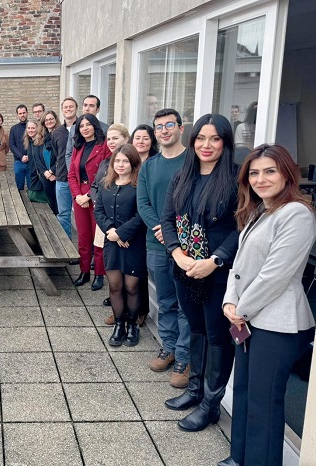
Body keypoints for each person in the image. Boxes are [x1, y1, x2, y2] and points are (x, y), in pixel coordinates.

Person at [219, 144, 316, 466]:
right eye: (254, 173)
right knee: (244, 392)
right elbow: (239, 265)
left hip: (278, 324)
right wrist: (229, 300)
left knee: (264, 403)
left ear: (287, 173)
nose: (261, 179)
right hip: (248, 318)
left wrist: (240, 309)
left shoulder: (296, 213)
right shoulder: (260, 210)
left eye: (270, 171)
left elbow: (275, 275)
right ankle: (240, 457)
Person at [161, 113, 239, 432]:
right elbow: (168, 219)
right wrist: (177, 253)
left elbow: (242, 226)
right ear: (193, 141)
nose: (207, 145)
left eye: (215, 139)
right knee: (196, 329)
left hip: (217, 273)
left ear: (225, 142)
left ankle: (211, 405)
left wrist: (215, 260)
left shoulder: (236, 178)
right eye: (201, 138)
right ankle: (195, 391)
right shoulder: (183, 175)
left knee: (217, 336)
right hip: (185, 269)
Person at [137, 108, 191, 389]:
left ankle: (184, 357)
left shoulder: (193, 161)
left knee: (186, 303)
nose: (164, 131)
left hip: (187, 245)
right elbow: (143, 202)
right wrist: (161, 228)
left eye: (170, 125)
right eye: (159, 127)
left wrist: (173, 232)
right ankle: (168, 347)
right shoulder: (149, 166)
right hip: (156, 243)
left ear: (181, 128)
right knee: (166, 300)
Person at [95, 144, 146, 347]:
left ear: (133, 163)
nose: (121, 164)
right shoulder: (106, 184)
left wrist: (122, 233)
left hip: (133, 243)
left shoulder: (139, 186)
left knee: (131, 286)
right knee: (115, 286)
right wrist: (112, 232)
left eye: (125, 161)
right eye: (117, 161)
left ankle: (132, 325)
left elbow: (141, 215)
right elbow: (98, 211)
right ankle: (119, 325)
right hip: (112, 243)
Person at [68, 113, 111, 290]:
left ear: (95, 125)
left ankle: (99, 274)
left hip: (97, 196)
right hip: (80, 197)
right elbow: (72, 174)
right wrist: (78, 196)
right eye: (81, 125)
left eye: (88, 124)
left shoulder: (104, 146)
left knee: (98, 238)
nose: (85, 128)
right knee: (83, 237)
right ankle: (84, 271)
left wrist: (88, 196)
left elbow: (107, 174)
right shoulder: (78, 147)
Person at [52, 97, 78, 238]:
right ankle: (67, 244)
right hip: (62, 178)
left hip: (80, 180)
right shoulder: (57, 132)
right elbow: (57, 154)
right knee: (63, 214)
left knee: (81, 216)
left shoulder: (83, 128)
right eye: (65, 107)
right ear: (62, 111)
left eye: (71, 106)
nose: (68, 109)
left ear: (76, 108)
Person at [23, 119, 48, 204]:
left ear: (38, 129)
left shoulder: (41, 142)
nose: (30, 130)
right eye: (28, 128)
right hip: (33, 174)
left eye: (33, 128)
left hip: (42, 176)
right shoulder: (29, 142)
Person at [41, 110, 60, 214]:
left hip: (57, 174)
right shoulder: (43, 137)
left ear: (55, 120)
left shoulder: (60, 134)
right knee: (50, 202)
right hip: (46, 175)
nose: (49, 121)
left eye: (51, 119)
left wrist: (52, 171)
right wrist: (46, 172)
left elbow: (61, 157)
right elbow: (39, 157)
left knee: (58, 203)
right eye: (46, 120)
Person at [9, 104, 30, 190]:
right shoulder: (14, 129)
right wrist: (21, 157)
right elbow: (12, 145)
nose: (22, 115)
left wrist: (29, 156)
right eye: (20, 113)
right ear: (17, 115)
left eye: (24, 113)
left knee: (32, 186)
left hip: (31, 161)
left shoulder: (32, 127)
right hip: (19, 162)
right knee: (19, 186)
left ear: (27, 113)